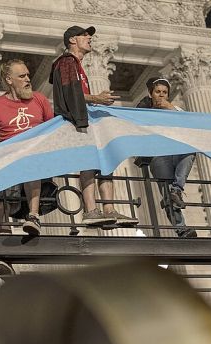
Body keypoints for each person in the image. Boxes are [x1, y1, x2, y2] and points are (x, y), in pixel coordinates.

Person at [50, 25, 137, 228]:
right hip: (77, 122)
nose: (89, 38)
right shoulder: (66, 63)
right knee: (89, 163)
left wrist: (95, 101)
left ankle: (109, 209)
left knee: (106, 163)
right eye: (84, 35)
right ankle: (91, 210)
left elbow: (76, 94)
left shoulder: (78, 66)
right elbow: (69, 93)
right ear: (72, 40)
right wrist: (95, 98)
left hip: (87, 119)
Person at [0, 59, 55, 236]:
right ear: (9, 79)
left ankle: (33, 216)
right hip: (9, 158)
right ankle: (2, 224)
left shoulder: (39, 99)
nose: (27, 79)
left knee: (30, 159)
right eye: (22, 76)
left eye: (28, 75)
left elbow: (53, 130)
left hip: (35, 157)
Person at [137, 77, 197, 238]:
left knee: (190, 151)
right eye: (158, 92)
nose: (161, 95)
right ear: (151, 94)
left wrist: (170, 108)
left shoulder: (175, 109)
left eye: (165, 92)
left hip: (177, 151)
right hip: (159, 156)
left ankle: (177, 189)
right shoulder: (143, 111)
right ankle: (181, 229)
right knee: (166, 193)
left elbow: (191, 125)